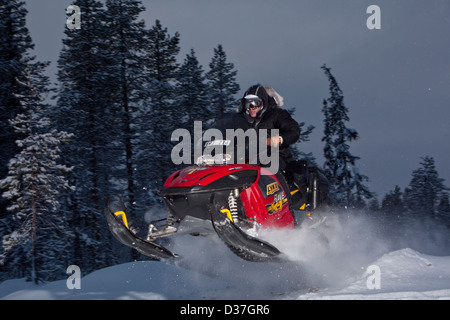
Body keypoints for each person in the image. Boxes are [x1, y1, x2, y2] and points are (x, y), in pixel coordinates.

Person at [237, 84, 301, 173]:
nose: (252, 108)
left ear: (263, 103)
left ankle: (276, 185)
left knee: (269, 165)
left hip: (275, 155)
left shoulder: (276, 115)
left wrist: (278, 139)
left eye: (256, 103)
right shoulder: (241, 120)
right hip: (247, 157)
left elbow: (293, 131)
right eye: (248, 104)